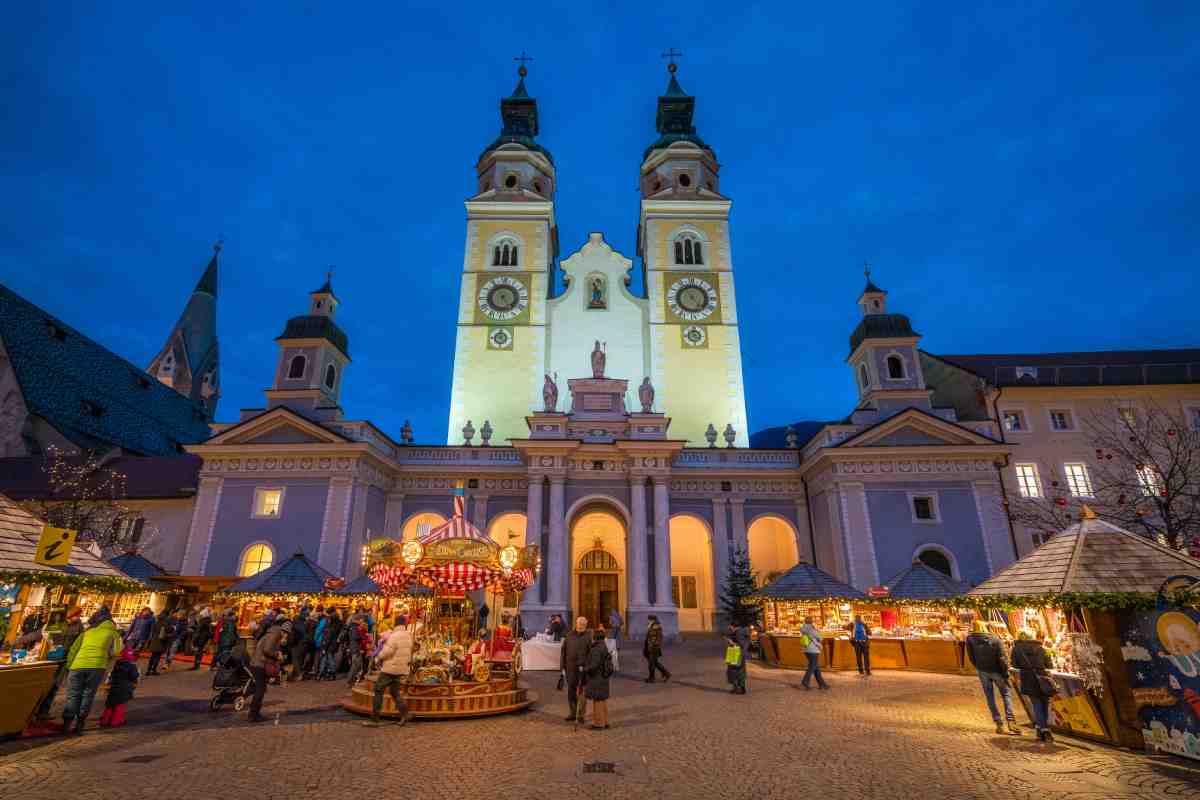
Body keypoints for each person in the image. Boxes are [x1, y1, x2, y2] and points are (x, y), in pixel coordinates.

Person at [62, 606, 122, 735]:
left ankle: (66, 724)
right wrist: (105, 655)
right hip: (97, 667)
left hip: (78, 665)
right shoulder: (114, 633)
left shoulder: (87, 632)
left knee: (73, 694)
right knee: (88, 694)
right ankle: (80, 724)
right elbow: (117, 652)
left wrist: (70, 665)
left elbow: (74, 649)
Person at [965, 620, 1020, 735]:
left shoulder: (970, 639)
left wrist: (978, 666)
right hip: (997, 671)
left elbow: (971, 656)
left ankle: (998, 723)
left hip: (983, 671)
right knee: (1006, 694)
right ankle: (1011, 721)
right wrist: (1006, 674)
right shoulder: (995, 639)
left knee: (989, 696)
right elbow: (1002, 659)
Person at [36, 606, 85, 719]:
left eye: (79, 616)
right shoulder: (59, 621)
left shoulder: (79, 625)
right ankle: (35, 710)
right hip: (51, 657)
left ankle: (43, 711)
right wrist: (52, 644)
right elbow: (44, 632)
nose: (78, 617)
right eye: (77, 615)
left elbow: (80, 639)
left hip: (65, 658)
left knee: (55, 685)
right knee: (46, 684)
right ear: (71, 614)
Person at [364, 621, 414, 727]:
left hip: (390, 668)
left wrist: (378, 658)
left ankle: (375, 719)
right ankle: (405, 714)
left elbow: (387, 651)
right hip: (401, 668)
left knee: (378, 689)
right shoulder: (408, 635)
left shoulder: (394, 636)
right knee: (394, 691)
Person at [1012, 629, 1055, 742]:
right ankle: (1043, 730)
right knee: (1044, 704)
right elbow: (1049, 665)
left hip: (1028, 678)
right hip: (1043, 678)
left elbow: (1014, 664)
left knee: (1036, 704)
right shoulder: (1041, 648)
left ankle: (1042, 730)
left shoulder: (1017, 649)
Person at [248, 615, 288, 723]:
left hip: (257, 663)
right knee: (260, 690)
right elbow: (267, 649)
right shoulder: (275, 634)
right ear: (284, 631)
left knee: (260, 689)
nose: (286, 638)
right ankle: (253, 715)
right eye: (286, 634)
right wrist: (277, 655)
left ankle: (254, 713)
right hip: (259, 664)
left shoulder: (272, 633)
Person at [98, 646, 140, 727]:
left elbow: (112, 674)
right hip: (124, 688)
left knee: (109, 705)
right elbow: (134, 676)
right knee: (119, 706)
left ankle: (104, 721)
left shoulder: (117, 664)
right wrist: (137, 675)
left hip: (114, 686)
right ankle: (115, 722)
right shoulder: (132, 666)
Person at [561, 616, 592, 722]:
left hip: (583, 670)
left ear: (586, 625)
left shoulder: (589, 637)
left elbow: (591, 654)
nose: (581, 626)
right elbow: (563, 652)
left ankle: (581, 715)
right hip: (570, 669)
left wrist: (587, 666)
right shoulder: (569, 635)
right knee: (571, 691)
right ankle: (572, 713)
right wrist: (562, 667)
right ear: (576, 624)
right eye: (579, 624)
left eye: (583, 624)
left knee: (582, 693)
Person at [583, 628, 613, 730]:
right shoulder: (603, 646)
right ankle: (605, 721)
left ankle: (599, 724)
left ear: (594, 638)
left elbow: (594, 665)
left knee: (598, 701)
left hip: (597, 678)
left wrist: (585, 669)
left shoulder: (596, 649)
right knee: (602, 700)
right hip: (603, 677)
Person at [799, 616, 829, 690]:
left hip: (806, 649)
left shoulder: (803, 628)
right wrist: (816, 629)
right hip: (813, 650)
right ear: (811, 622)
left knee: (816, 667)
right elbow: (820, 638)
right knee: (812, 666)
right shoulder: (811, 629)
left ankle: (822, 684)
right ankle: (804, 682)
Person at [643, 614, 671, 683]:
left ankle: (652, 678)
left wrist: (654, 646)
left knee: (651, 664)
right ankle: (666, 674)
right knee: (655, 663)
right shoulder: (651, 626)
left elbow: (658, 638)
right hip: (650, 647)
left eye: (649, 619)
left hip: (653, 648)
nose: (647, 620)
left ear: (652, 620)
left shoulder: (656, 627)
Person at [145, 609, 171, 675]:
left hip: (154, 639)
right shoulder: (166, 621)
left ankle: (148, 670)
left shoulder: (157, 620)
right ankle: (153, 670)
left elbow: (153, 630)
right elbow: (168, 629)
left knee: (153, 656)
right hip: (161, 640)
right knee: (157, 656)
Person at [727, 622, 750, 695]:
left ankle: (738, 688)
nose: (729, 628)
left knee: (734, 671)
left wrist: (731, 643)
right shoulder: (742, 632)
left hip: (736, 654)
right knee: (740, 670)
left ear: (733, 626)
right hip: (739, 654)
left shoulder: (738, 633)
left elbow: (741, 644)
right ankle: (740, 688)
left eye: (730, 627)